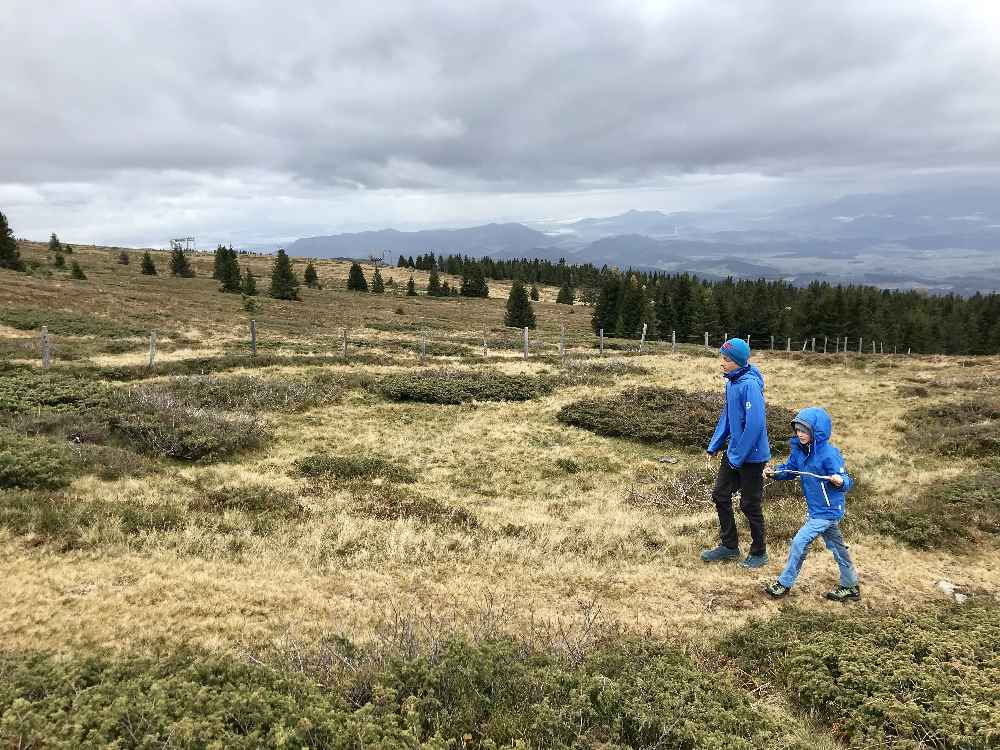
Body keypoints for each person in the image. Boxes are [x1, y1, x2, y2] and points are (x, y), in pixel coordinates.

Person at [763, 407, 861, 601]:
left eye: (804, 430)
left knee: (799, 542)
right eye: (798, 430)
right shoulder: (799, 451)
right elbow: (790, 470)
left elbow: (846, 479)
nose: (800, 434)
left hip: (827, 511)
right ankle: (851, 587)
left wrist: (840, 481)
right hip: (817, 509)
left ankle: (784, 583)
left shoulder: (829, 454)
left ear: (816, 431)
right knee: (838, 548)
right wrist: (775, 472)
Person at [701, 338, 771, 569]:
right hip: (733, 455)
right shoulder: (731, 383)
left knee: (750, 504)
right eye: (722, 357)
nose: (722, 362)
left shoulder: (750, 386)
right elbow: (727, 417)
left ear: (739, 362)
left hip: (752, 458)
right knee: (720, 495)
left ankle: (759, 552)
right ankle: (729, 546)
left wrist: (738, 457)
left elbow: (755, 426)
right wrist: (715, 445)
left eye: (727, 359)